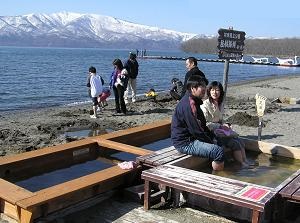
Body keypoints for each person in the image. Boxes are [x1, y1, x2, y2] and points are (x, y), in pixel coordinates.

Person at [171, 75, 224, 171]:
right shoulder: (188, 104)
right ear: (193, 88)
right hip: (185, 143)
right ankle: (220, 177)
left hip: (192, 138)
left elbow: (202, 126)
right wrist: (211, 141)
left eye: (205, 86)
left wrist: (213, 137)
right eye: (202, 86)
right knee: (218, 151)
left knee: (220, 141)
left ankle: (213, 168)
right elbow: (196, 130)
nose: (205, 89)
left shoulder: (195, 101)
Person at [200, 81, 251, 167]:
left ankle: (245, 160)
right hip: (212, 134)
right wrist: (220, 126)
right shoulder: (205, 105)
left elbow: (220, 119)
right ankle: (241, 164)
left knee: (240, 141)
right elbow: (204, 124)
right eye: (212, 90)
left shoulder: (219, 103)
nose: (214, 92)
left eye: (217, 90)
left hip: (221, 131)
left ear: (221, 92)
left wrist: (226, 124)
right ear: (209, 91)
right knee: (235, 143)